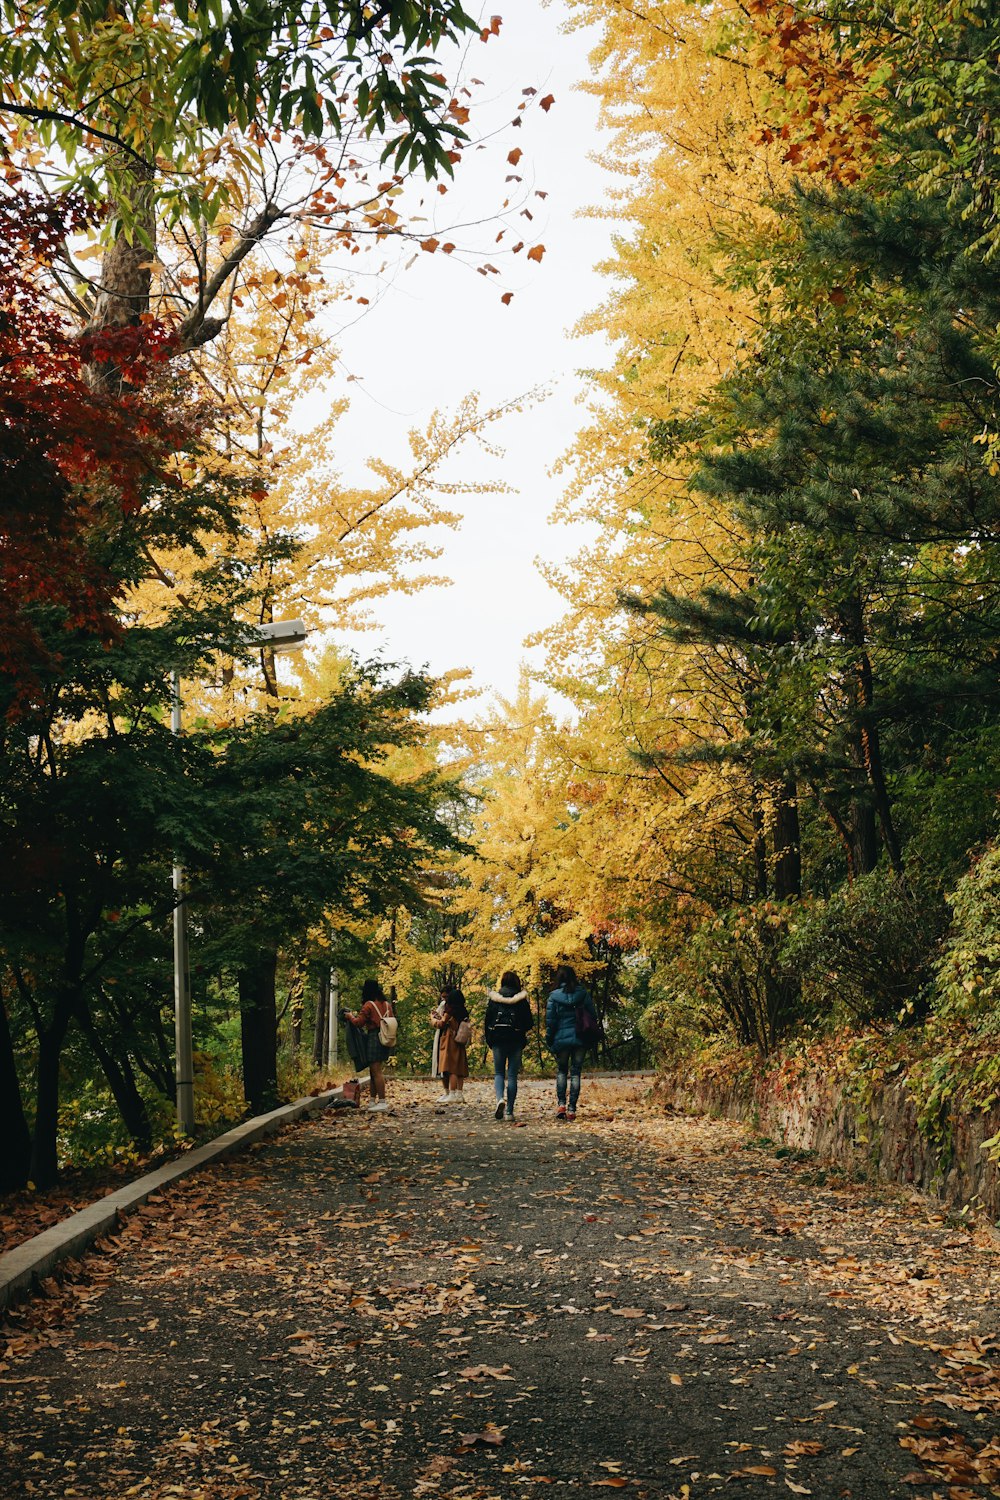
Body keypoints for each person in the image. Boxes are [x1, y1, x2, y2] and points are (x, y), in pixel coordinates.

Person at [545, 964, 597, 1122]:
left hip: (561, 1039)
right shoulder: (583, 994)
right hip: (580, 1037)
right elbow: (592, 1015)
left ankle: (561, 1105)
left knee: (561, 1071)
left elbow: (550, 1021)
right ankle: (572, 1109)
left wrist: (550, 1039)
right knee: (576, 1072)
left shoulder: (553, 996)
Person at [484, 970, 532, 1121]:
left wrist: (489, 1039)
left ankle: (500, 1099)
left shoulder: (494, 998)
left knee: (499, 1073)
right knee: (512, 1075)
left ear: (502, 982)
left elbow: (487, 1020)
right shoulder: (521, 999)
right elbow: (529, 1022)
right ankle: (510, 1112)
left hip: (498, 1039)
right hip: (516, 1039)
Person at [344, 979, 395, 1113]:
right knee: (373, 1070)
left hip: (374, 1038)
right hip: (385, 1037)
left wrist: (350, 1016)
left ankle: (382, 1102)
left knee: (376, 1071)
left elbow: (359, 1023)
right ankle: (372, 1100)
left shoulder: (369, 1005)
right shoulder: (387, 1004)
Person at [432, 987, 470, 1104]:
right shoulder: (463, 1011)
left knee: (452, 1068)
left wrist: (433, 1018)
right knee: (459, 1067)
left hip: (450, 1039)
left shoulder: (450, 1010)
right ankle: (459, 1094)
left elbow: (442, 1022)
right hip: (460, 1039)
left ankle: (452, 1093)